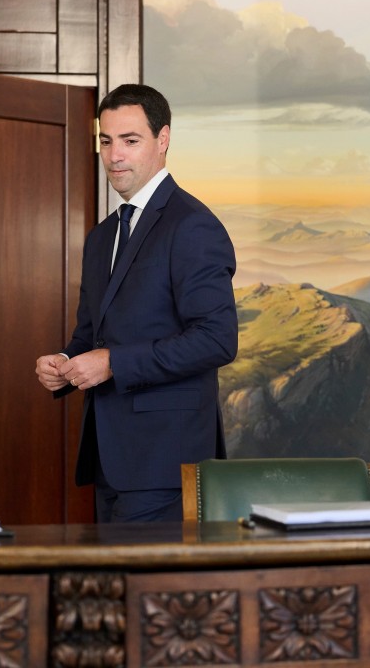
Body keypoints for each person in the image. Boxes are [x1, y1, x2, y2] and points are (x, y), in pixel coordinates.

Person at [35, 84, 238, 523]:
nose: (114, 156)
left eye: (130, 140)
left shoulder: (193, 226)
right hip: (109, 460)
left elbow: (217, 339)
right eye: (106, 141)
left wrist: (113, 363)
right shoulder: (102, 236)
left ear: (163, 140)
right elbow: (92, 335)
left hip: (166, 461)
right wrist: (65, 363)